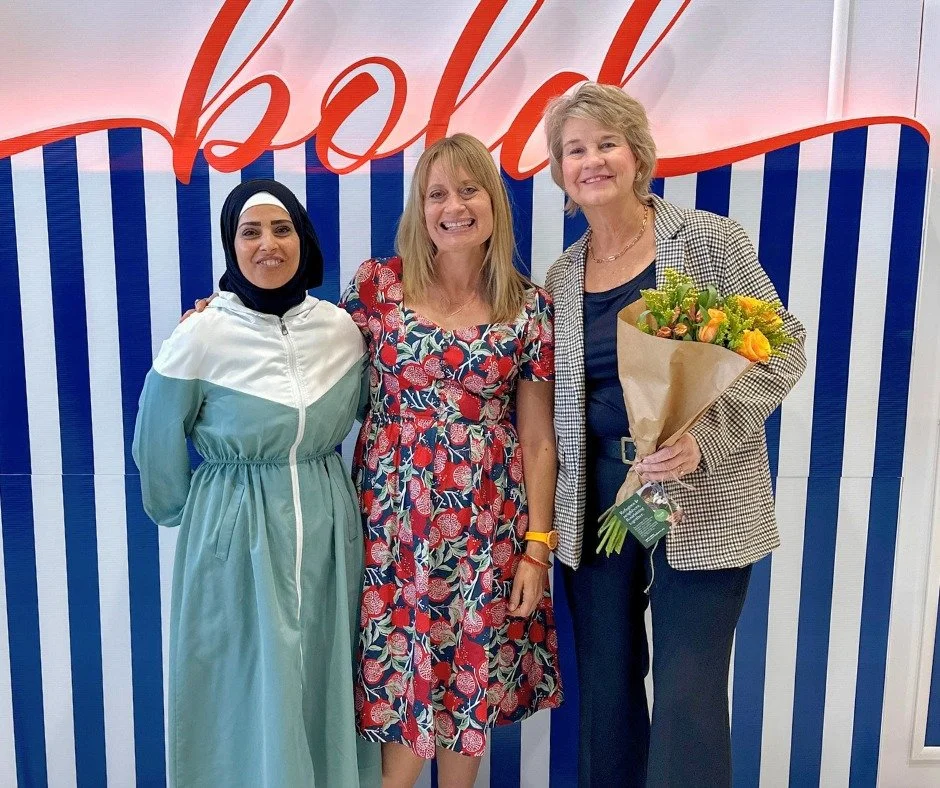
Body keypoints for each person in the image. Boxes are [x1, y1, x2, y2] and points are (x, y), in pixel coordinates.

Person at [542, 82, 807, 787]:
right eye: (575, 150)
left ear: (637, 155)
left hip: (705, 490)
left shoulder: (709, 240)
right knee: (606, 684)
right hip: (600, 496)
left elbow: (783, 348)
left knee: (689, 690)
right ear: (559, 169)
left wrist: (706, 436)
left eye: (606, 144)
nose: (592, 161)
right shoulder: (562, 275)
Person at [134, 179, 381, 787]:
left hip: (328, 536)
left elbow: (381, 411)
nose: (268, 244)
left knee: (324, 681)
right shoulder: (202, 334)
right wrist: (195, 516)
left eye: (282, 229)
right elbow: (156, 443)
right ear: (230, 246)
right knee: (241, 689)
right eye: (250, 232)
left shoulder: (341, 331)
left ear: (303, 239)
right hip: (234, 538)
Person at [339, 133, 563, 788]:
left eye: (469, 190)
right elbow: (305, 350)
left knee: (469, 684)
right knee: (398, 692)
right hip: (393, 529)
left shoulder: (529, 309)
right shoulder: (379, 287)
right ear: (419, 207)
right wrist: (231, 317)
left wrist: (537, 550)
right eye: (438, 193)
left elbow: (539, 439)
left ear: (492, 202)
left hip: (486, 529)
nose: (454, 206)